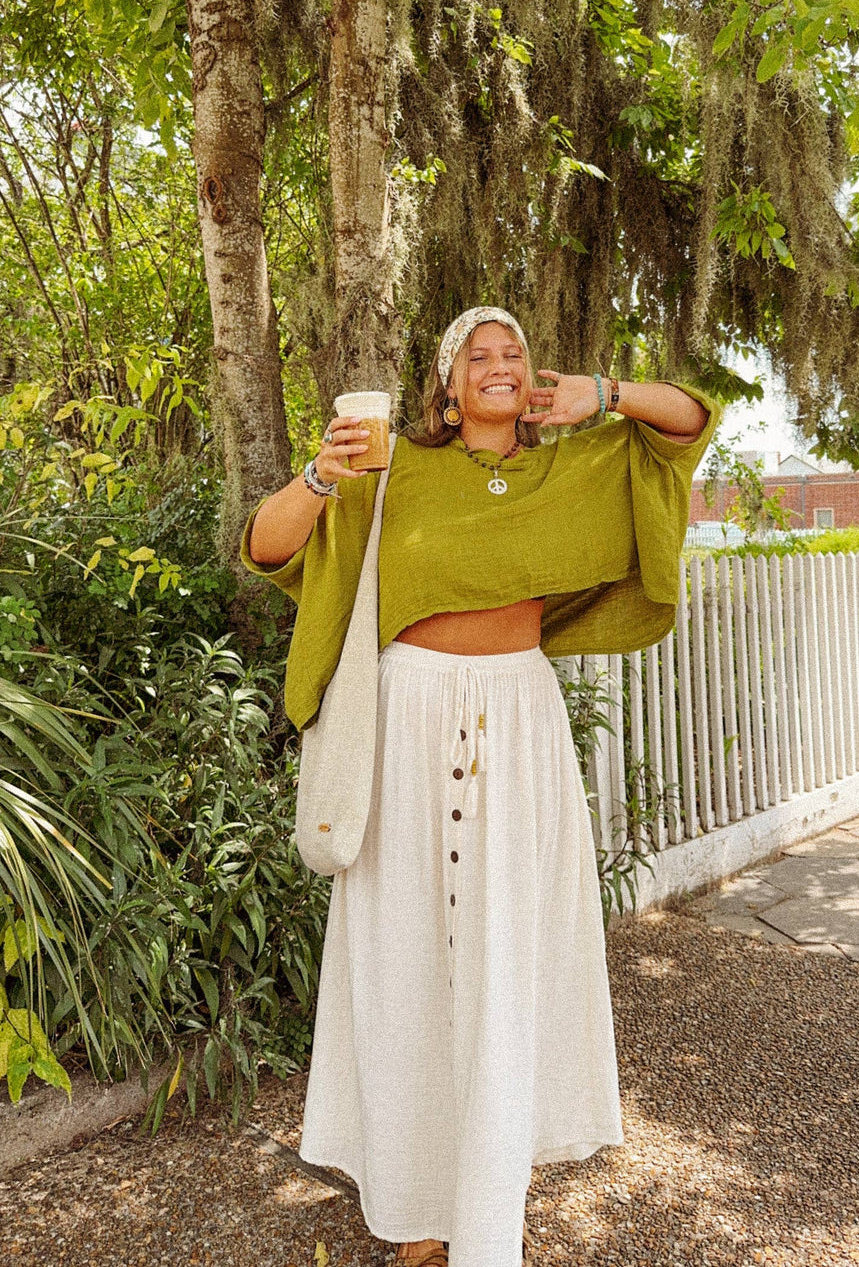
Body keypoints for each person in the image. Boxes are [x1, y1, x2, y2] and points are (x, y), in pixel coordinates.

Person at [240, 308, 721, 1267]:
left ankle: (490, 1200)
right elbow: (267, 549)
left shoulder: (574, 468)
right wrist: (317, 475)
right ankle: (419, 1208)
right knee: (406, 954)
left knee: (509, 953)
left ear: (533, 383)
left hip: (522, 722)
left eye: (514, 354)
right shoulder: (392, 470)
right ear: (447, 391)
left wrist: (609, 395)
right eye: (477, 356)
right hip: (407, 723)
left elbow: (690, 425)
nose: (499, 366)